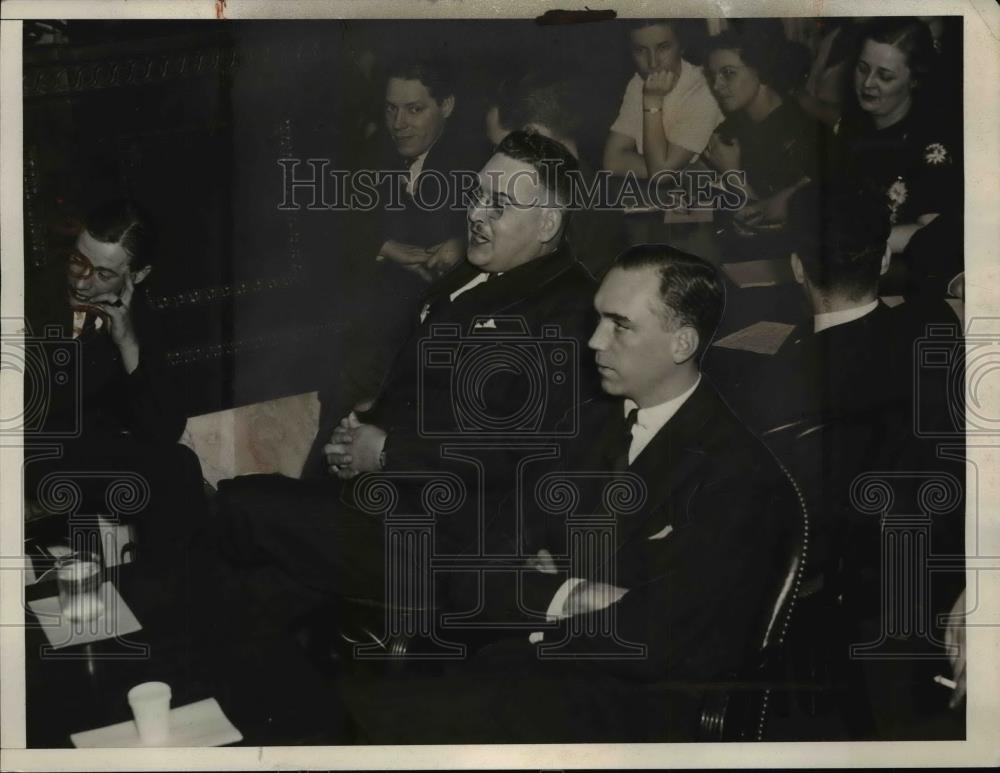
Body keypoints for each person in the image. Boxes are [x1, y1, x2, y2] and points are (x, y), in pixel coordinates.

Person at [340, 245, 797, 743]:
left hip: (639, 714)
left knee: (387, 728)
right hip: (524, 673)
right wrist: (576, 595)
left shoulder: (737, 473)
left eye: (620, 325)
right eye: (597, 318)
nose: (595, 341)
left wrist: (543, 592)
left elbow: (658, 641)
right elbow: (476, 572)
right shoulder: (580, 427)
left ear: (681, 343)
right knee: (361, 719)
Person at [215, 131, 599, 631]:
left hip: (452, 542)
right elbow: (420, 390)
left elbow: (522, 451)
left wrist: (387, 452)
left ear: (548, 223)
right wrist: (357, 435)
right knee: (263, 590)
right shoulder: (472, 274)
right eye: (476, 195)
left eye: (498, 205)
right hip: (392, 502)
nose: (477, 214)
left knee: (241, 508)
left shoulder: (573, 311)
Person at [302, 56, 485, 478]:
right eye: (390, 108)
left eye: (414, 109)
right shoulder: (370, 154)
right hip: (376, 337)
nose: (398, 123)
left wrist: (464, 245)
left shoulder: (479, 161)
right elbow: (322, 226)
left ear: (448, 106)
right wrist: (384, 246)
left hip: (441, 346)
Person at [24, 199, 205, 564]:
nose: (80, 280)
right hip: (23, 447)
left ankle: (163, 598)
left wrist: (126, 342)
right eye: (78, 260)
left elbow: (161, 429)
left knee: (177, 468)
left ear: (136, 276)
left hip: (83, 454)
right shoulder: (28, 295)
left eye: (103, 274)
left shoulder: (139, 319)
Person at [831, 17, 961, 298]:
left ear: (914, 79)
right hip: (849, 278)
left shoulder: (933, 144)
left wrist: (856, 240)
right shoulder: (849, 127)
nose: (867, 83)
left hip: (902, 287)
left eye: (885, 76)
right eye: (862, 68)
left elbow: (933, 233)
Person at [703, 30, 825, 233]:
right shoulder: (737, 121)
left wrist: (731, 174)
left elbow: (765, 220)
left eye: (728, 73)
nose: (716, 85)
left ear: (760, 69)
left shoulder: (800, 132)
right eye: (712, 75)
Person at [603, 19, 722, 178]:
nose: (653, 63)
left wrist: (652, 101)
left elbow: (661, 173)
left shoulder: (706, 89)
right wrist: (682, 173)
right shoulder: (639, 82)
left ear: (682, 47)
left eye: (663, 48)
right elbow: (612, 162)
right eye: (641, 50)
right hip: (672, 193)